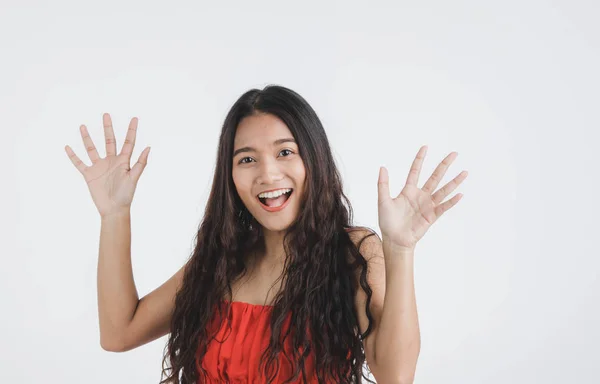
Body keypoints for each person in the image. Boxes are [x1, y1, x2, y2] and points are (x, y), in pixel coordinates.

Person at [65, 85, 467, 383]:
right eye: (247, 159)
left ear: (315, 159)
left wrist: (399, 249)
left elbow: (396, 374)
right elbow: (119, 333)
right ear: (231, 175)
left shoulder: (352, 252)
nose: (268, 174)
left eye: (285, 152)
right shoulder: (220, 260)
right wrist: (115, 214)